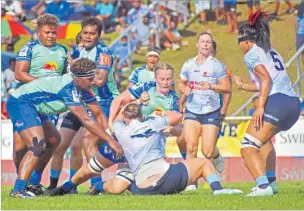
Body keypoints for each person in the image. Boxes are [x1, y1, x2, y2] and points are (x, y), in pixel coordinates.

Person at [7, 58, 123, 198]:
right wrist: (110, 141)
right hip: (21, 102)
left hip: (36, 105)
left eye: (93, 78)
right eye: (89, 79)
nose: (93, 82)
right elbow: (86, 119)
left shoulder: (82, 85)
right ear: (77, 78)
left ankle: (33, 183)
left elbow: (98, 114)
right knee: (37, 145)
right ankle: (18, 190)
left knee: (54, 140)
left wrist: (111, 134)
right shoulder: (68, 88)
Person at [88, 103, 243, 196]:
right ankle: (217, 189)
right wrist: (157, 114)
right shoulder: (153, 123)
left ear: (126, 118)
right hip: (168, 178)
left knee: (126, 182)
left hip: (144, 188)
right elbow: (177, 116)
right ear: (142, 116)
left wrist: (124, 108)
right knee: (203, 162)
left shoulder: (121, 131)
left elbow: (116, 121)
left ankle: (98, 186)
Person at [47, 17, 119, 193]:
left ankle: (96, 186)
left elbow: (101, 80)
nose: (88, 36)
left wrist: (77, 73)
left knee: (87, 140)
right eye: (85, 33)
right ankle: (57, 186)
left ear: (98, 36)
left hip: (104, 102)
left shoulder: (103, 52)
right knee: (63, 144)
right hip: (82, 101)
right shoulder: (81, 51)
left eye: (92, 34)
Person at [233, 10, 300, 196]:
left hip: (277, 101)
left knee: (247, 147)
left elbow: (266, 80)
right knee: (263, 143)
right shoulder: (271, 51)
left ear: (245, 42)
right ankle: (271, 183)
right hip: (292, 104)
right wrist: (243, 85)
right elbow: (264, 83)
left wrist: (260, 107)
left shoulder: (251, 54)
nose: (239, 47)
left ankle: (263, 187)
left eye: (238, 43)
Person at [14, 13, 68, 195]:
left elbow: (64, 78)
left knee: (53, 140)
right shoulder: (28, 48)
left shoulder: (62, 51)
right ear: (38, 32)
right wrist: (46, 86)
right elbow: (20, 74)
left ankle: (34, 182)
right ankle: (21, 184)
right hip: (25, 101)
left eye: (54, 32)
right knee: (23, 147)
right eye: (47, 32)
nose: (51, 36)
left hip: (45, 105)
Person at [178, 32, 231, 177]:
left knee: (207, 151)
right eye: (203, 41)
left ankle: (216, 154)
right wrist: (185, 89)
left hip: (211, 110)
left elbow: (227, 88)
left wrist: (212, 86)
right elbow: (180, 83)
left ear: (211, 45)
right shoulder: (188, 63)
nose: (206, 44)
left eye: (208, 41)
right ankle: (190, 182)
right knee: (191, 147)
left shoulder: (217, 66)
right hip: (192, 110)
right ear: (197, 44)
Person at [296, 0, 304, 67]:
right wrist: (297, 34)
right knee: (302, 53)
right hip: (301, 33)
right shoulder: (302, 5)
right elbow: (297, 20)